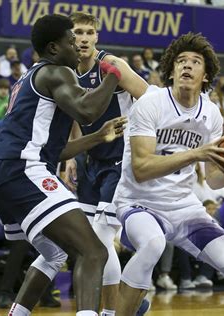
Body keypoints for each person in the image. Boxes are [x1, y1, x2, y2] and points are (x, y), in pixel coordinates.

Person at [113, 32, 224, 316]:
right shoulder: (150, 103)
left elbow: (212, 178)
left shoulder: (211, 114)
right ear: (171, 71)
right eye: (181, 61)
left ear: (206, 75)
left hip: (185, 207)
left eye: (195, 62)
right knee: (152, 243)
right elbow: (142, 168)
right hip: (139, 203)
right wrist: (196, 153)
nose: (187, 66)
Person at [0, 14, 123, 316]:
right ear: (54, 48)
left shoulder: (28, 78)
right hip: (20, 170)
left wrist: (98, 137)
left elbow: (51, 151)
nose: (78, 45)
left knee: (55, 253)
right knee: (93, 251)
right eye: (72, 40)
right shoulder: (57, 72)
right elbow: (86, 110)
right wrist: (113, 74)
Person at [65, 12, 149, 316]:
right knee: (89, 241)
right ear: (69, 37)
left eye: (89, 32)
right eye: (78, 32)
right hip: (91, 160)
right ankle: (131, 306)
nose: (84, 38)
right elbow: (74, 113)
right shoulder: (67, 70)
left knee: (99, 240)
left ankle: (113, 312)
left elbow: (150, 98)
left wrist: (143, 142)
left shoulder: (111, 65)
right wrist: (73, 156)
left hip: (120, 159)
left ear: (97, 36)